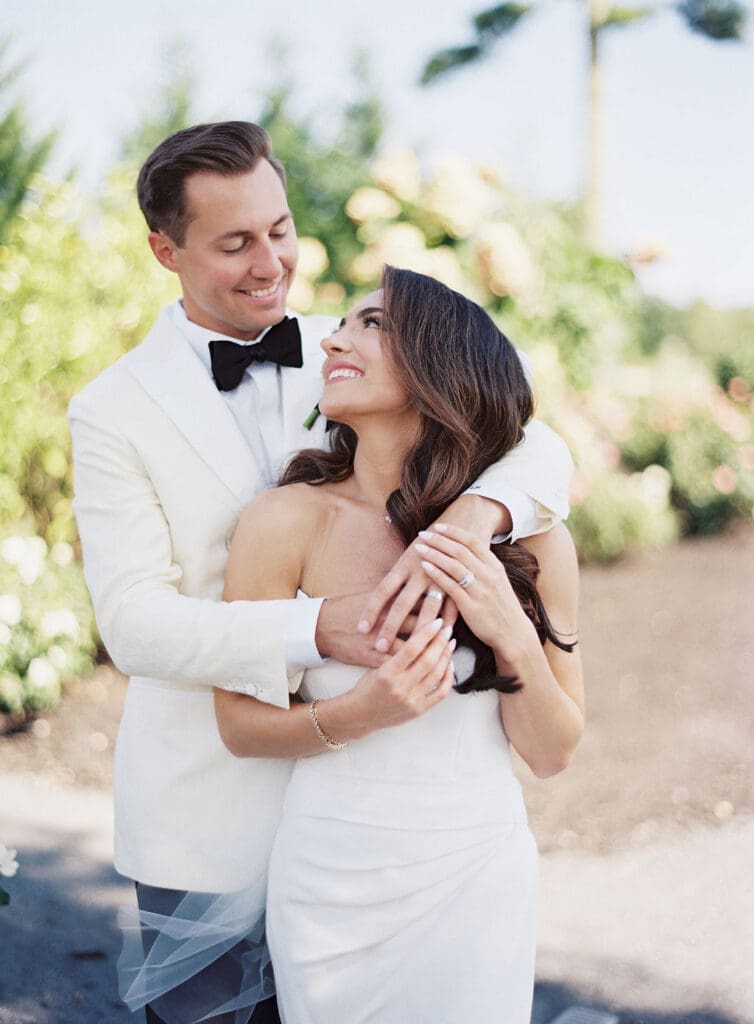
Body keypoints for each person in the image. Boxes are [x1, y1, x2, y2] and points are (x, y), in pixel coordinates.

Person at [68, 122, 573, 1023]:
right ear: (165, 251)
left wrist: (475, 515)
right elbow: (132, 623)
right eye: (235, 243)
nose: (272, 264)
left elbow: (528, 438)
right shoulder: (112, 409)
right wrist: (314, 627)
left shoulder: (350, 351)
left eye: (280, 229)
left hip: (403, 832)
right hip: (210, 809)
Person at [213, 267, 584, 1023]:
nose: (334, 340)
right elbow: (241, 727)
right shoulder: (284, 521)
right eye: (341, 325)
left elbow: (551, 754)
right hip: (329, 881)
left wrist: (510, 632)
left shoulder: (532, 540)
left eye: (373, 324)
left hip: (475, 873)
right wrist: (364, 712)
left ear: (441, 365)